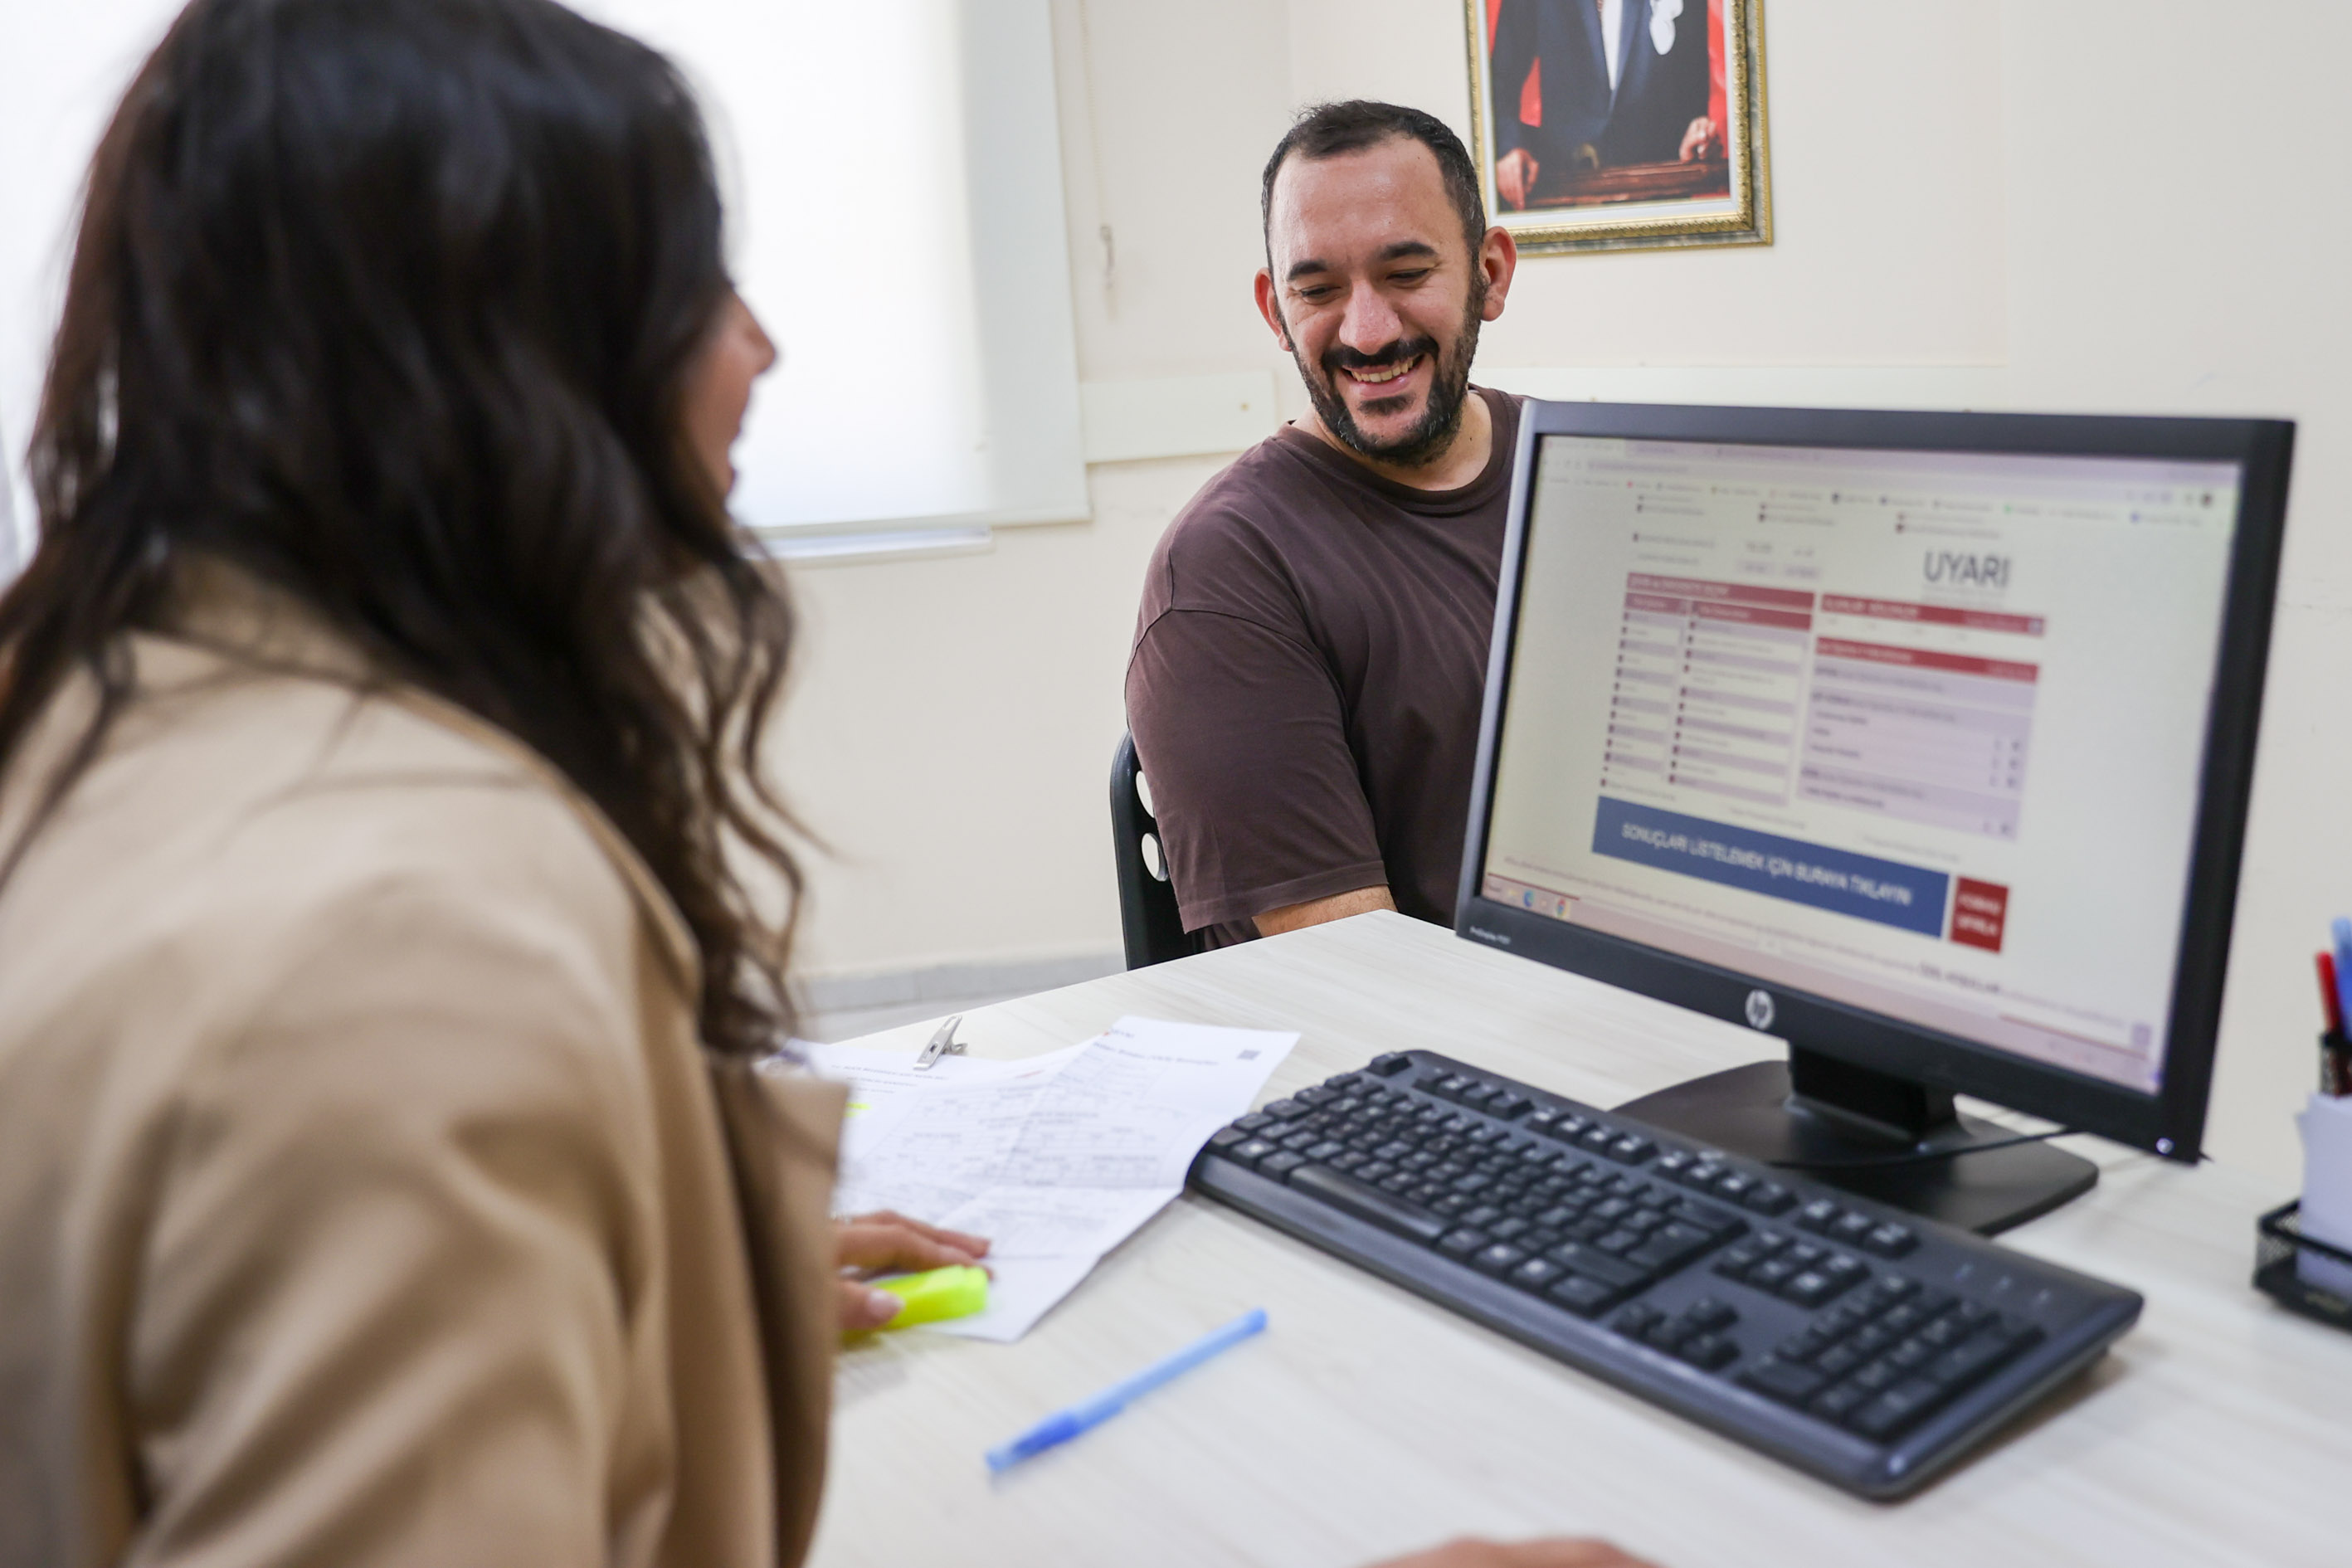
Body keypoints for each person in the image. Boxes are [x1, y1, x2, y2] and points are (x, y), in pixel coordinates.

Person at [0, 5, 1661, 1567]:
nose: (763, 348)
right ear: (479, 368)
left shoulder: (110, 726)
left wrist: (654, 1288)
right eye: (692, 288)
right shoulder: (402, 946)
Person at [1125, 101, 1520, 950]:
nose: (1367, 331)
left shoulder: (1588, 475)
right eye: (1318, 290)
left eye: (1407, 273)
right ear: (1274, 309)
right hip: (1431, 1056)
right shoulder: (1224, 574)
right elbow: (1353, 966)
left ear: (1491, 272)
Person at [1488, 0, 1719, 210]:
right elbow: (1497, 79)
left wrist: (1696, 133)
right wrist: (1507, 147)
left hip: (1658, 194)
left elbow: (1692, 89)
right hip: (1564, 192)